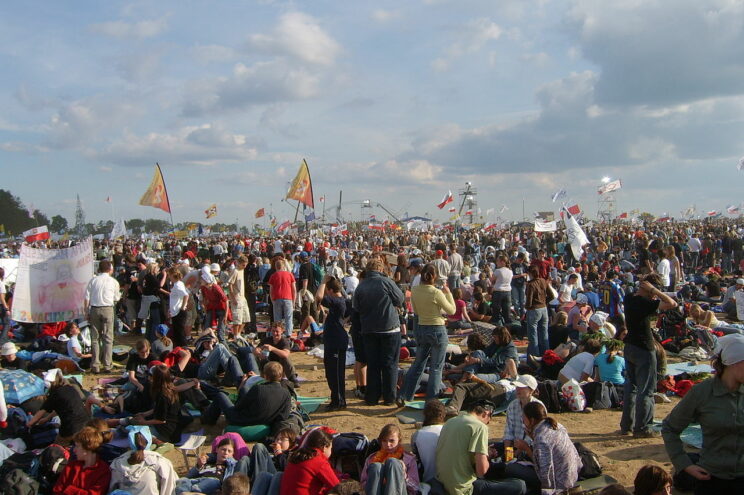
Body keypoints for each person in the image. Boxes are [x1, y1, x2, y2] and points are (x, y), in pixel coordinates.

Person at [661, 333, 744, 492]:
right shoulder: (702, 392)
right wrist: (684, 464)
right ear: (732, 362)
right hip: (711, 479)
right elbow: (669, 428)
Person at [620, 275, 677, 437]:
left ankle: (627, 426)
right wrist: (654, 290)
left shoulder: (629, 298)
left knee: (631, 388)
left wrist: (650, 289)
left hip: (630, 346)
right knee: (646, 390)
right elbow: (672, 303)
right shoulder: (644, 303)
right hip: (644, 348)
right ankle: (643, 428)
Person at [435, 399, 526, 495]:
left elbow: (460, 454)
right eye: (490, 417)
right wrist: (485, 456)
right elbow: (481, 472)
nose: (489, 422)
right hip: (463, 489)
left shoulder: (450, 422)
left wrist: (485, 454)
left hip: (443, 484)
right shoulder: (479, 427)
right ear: (485, 413)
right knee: (520, 485)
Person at [399, 264, 455, 404]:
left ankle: (404, 395)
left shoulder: (415, 290)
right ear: (434, 277)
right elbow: (451, 310)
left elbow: (416, 312)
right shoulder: (436, 292)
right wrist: (448, 293)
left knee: (418, 364)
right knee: (436, 368)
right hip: (437, 329)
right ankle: (431, 401)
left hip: (422, 328)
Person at [353, 258, 405, 406]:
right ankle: (389, 397)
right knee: (390, 365)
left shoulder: (361, 286)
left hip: (369, 329)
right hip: (389, 327)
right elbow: (400, 299)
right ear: (381, 269)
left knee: (373, 364)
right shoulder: (386, 282)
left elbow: (356, 307)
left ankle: (372, 397)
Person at [202, 361, 293, 434]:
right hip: (265, 420)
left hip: (243, 420)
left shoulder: (258, 389)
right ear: (281, 376)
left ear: (265, 376)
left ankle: (208, 420)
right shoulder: (286, 394)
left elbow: (239, 407)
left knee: (220, 395)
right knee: (244, 390)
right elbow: (283, 417)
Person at [517, 401, 581, 495]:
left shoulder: (541, 438)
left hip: (560, 484)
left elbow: (545, 471)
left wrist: (526, 448)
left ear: (532, 420)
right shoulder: (557, 426)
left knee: (512, 468)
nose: (523, 421)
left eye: (524, 419)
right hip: (572, 475)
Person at [109, 427, 178, 495]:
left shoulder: (118, 463)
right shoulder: (160, 461)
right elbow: (169, 488)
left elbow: (112, 488)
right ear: (149, 440)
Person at [28, 369, 90, 444]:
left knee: (57, 447)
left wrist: (29, 424)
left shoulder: (55, 395)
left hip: (71, 428)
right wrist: (47, 418)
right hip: (85, 424)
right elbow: (63, 408)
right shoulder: (70, 388)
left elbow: (40, 413)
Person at [315, 274, 349, 410]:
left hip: (337, 341)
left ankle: (339, 401)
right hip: (333, 340)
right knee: (331, 373)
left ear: (330, 291)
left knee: (336, 374)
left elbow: (318, 297)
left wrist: (323, 281)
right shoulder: (340, 301)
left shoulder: (337, 300)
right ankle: (336, 399)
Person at [361, 424, 419, 495]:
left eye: (392, 441)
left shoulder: (409, 459)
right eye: (384, 441)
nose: (388, 444)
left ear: (399, 440)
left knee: (393, 462)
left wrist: (403, 474)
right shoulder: (371, 458)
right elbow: (363, 484)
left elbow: (415, 488)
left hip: (400, 491)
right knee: (376, 467)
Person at [85, 260, 121, 374]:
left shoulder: (93, 280)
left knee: (95, 338)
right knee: (108, 338)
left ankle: (95, 365)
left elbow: (86, 298)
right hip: (107, 308)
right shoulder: (113, 282)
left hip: (95, 308)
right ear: (110, 269)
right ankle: (107, 365)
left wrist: (86, 312)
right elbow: (116, 298)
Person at [279, 427, 339, 495]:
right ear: (324, 447)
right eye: (330, 448)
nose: (331, 451)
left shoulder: (296, 456)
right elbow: (337, 487)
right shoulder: (319, 461)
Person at [52, 426, 111, 495]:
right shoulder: (71, 466)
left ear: (88, 447)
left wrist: (70, 490)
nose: (74, 450)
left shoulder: (103, 471)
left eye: (77, 446)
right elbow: (57, 490)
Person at [412, 399, 446, 483]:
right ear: (443, 415)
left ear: (424, 415)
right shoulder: (449, 431)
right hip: (448, 481)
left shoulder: (417, 435)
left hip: (426, 481)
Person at [254, 321, 297, 386]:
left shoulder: (284, 341)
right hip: (268, 365)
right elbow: (255, 350)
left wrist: (272, 348)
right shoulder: (267, 340)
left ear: (282, 331)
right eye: (273, 331)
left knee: (285, 359)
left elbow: (285, 354)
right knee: (261, 359)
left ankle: (293, 379)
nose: (275, 333)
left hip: (280, 367)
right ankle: (263, 378)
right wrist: (259, 354)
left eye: (277, 331)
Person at [525, 265, 553, 357]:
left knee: (533, 335)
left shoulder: (531, 284)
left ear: (530, 273)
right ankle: (547, 355)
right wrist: (544, 302)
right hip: (544, 309)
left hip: (534, 310)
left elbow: (529, 301)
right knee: (544, 334)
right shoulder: (543, 281)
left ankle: (535, 356)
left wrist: (526, 309)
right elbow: (552, 295)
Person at [268, 257, 296, 336]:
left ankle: (278, 334)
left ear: (275, 266)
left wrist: (272, 300)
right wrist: (294, 301)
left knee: (277, 319)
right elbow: (294, 289)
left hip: (277, 298)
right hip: (288, 297)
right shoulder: (290, 275)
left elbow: (271, 290)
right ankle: (288, 334)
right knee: (289, 318)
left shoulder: (273, 276)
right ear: (283, 266)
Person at [228, 256, 250, 339]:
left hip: (242, 297)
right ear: (239, 263)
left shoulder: (242, 270)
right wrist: (233, 298)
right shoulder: (235, 271)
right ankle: (235, 335)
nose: (245, 266)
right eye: (243, 265)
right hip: (236, 297)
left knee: (245, 318)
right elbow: (230, 284)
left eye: (246, 265)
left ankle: (238, 334)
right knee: (237, 318)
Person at [167, 266, 190, 347]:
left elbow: (186, 295)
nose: (168, 276)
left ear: (172, 275)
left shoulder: (177, 285)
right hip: (175, 312)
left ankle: (184, 348)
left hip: (178, 312)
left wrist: (183, 307)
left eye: (169, 275)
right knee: (177, 333)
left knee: (180, 334)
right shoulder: (178, 284)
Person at [491, 255, 513, 325]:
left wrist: (489, 272)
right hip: (508, 292)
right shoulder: (510, 271)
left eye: (498, 261)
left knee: (496, 312)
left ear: (502, 262)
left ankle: (496, 326)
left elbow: (492, 280)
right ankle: (508, 327)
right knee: (507, 312)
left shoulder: (498, 271)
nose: (496, 262)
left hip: (498, 291)